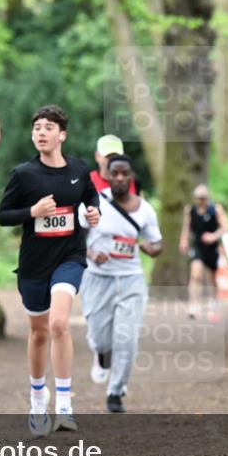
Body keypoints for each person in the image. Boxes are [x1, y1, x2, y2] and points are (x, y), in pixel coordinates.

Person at [0, 105, 100, 436]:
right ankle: (38, 399)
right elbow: (3, 215)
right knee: (39, 332)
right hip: (33, 265)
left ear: (62, 135)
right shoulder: (24, 174)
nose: (41, 132)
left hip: (69, 257)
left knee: (58, 324)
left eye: (48, 127)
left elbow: (90, 198)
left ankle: (65, 406)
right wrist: (33, 210)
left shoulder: (79, 169)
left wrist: (93, 213)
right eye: (36, 128)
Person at [78, 154, 162, 413]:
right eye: (115, 173)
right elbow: (73, 239)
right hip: (97, 279)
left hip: (131, 281)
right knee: (101, 340)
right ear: (108, 175)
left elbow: (157, 242)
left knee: (127, 338)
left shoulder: (146, 210)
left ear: (131, 176)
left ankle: (116, 392)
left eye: (125, 173)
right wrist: (91, 254)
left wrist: (152, 249)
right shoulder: (92, 204)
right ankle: (102, 358)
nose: (120, 178)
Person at [178, 184, 228, 321]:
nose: (201, 201)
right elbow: (187, 227)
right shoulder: (191, 211)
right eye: (199, 198)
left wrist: (213, 236)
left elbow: (226, 227)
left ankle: (214, 302)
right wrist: (183, 240)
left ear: (208, 198)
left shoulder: (216, 210)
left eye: (204, 198)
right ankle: (194, 305)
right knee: (195, 274)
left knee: (213, 278)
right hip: (198, 247)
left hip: (212, 248)